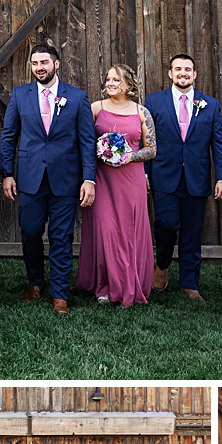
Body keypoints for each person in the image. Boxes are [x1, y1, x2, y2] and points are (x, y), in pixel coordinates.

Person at [0, 44, 97, 314]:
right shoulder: (20, 96)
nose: (39, 67)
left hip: (65, 179)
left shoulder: (77, 98)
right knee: (30, 231)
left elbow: (87, 141)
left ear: (56, 65)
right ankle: (34, 281)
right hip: (30, 178)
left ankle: (59, 293)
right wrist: (7, 173)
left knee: (61, 235)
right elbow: (9, 136)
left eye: (44, 62)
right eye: (34, 63)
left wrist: (89, 178)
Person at [145, 53, 222, 301]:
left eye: (188, 69)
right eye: (178, 69)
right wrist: (145, 173)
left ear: (195, 74)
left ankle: (189, 283)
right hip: (163, 175)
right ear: (170, 73)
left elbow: (219, 143)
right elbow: (146, 140)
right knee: (166, 225)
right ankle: (162, 266)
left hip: (197, 177)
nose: (183, 73)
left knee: (193, 232)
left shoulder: (210, 104)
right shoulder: (154, 101)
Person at [77, 64, 157, 305]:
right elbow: (83, 142)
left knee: (128, 232)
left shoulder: (141, 112)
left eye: (116, 79)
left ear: (128, 84)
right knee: (106, 230)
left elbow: (151, 149)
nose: (110, 83)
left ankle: (129, 283)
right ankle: (105, 284)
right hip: (102, 179)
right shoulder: (95, 109)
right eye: (108, 79)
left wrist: (128, 156)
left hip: (130, 179)